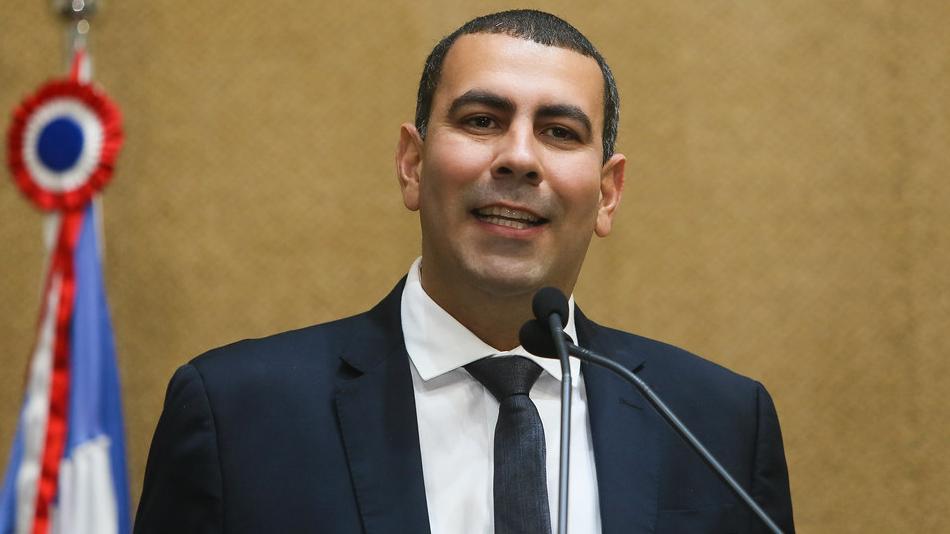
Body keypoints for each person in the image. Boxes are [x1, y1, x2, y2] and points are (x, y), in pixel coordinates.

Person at [134, 9, 794, 534]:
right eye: (482, 121)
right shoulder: (236, 416)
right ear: (412, 164)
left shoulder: (718, 426)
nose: (519, 158)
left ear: (607, 193)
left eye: (560, 132)